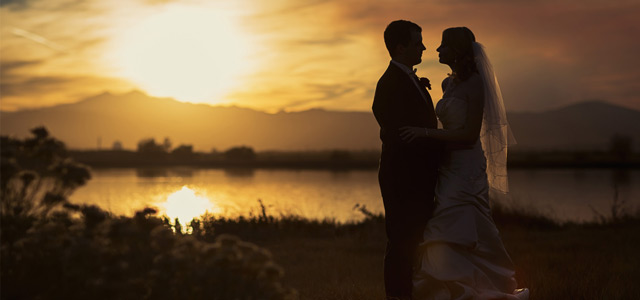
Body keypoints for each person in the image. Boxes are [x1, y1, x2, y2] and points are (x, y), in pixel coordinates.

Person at [399, 27, 529, 300]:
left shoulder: (475, 84)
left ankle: (474, 288)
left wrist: (424, 134)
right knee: (444, 225)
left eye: (443, 45)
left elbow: (469, 135)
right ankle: (447, 289)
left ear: (456, 49)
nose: (436, 50)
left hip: (466, 168)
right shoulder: (448, 84)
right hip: (447, 167)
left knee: (459, 223)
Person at [372, 20, 443, 300]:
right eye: (417, 42)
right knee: (401, 243)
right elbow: (397, 134)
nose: (423, 47)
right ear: (400, 48)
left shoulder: (410, 79)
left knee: (414, 242)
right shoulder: (388, 84)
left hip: (420, 177)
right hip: (403, 178)